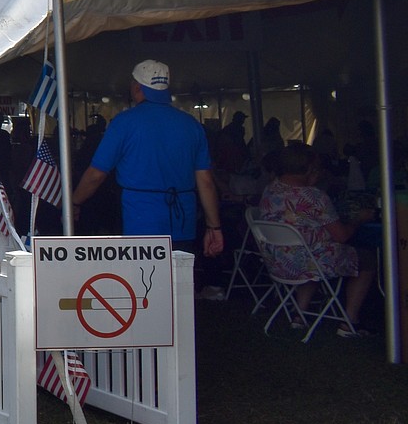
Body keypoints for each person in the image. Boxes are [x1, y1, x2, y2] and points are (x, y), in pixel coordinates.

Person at [71, 61, 225, 263]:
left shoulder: (124, 122)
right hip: (182, 224)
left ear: (137, 88)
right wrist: (214, 227)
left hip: (139, 224)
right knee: (178, 288)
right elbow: (205, 182)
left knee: (142, 289)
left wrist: (74, 202)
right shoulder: (191, 125)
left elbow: (96, 175)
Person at [258, 143, 378, 335]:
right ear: (309, 168)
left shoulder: (270, 190)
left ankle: (300, 314)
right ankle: (350, 321)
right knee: (367, 259)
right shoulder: (314, 197)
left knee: (310, 252)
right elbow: (342, 236)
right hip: (308, 263)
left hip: (279, 262)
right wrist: (359, 220)